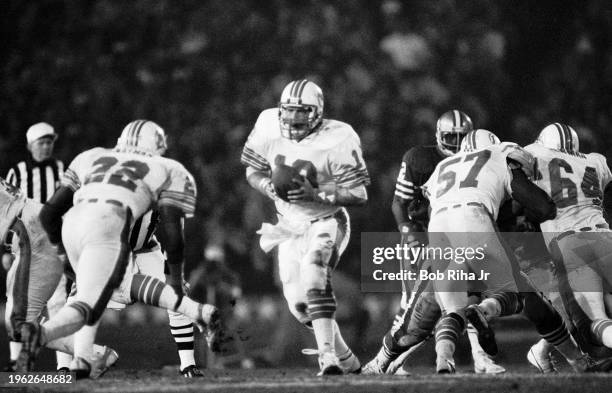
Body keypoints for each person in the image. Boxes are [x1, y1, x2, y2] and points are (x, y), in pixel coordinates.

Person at [17, 120, 221, 375]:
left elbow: (49, 215)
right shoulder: (165, 170)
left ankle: (74, 362)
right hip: (110, 238)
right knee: (172, 294)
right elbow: (174, 237)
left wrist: (62, 254)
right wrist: (176, 280)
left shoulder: (90, 157)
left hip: (111, 239)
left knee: (84, 299)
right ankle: (64, 360)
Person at [425, 129, 611, 373]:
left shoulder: (442, 167)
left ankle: (444, 359)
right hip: (490, 230)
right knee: (529, 299)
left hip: (440, 230)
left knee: (453, 309)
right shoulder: (503, 153)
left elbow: (425, 208)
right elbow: (541, 206)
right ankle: (570, 357)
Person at [363, 111, 505, 375]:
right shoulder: (421, 159)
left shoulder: (473, 161)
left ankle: (478, 357)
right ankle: (391, 361)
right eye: (451, 137)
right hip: (424, 235)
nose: (456, 142)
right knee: (416, 304)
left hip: (455, 236)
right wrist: (409, 233)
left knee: (470, 296)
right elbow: (400, 203)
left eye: (462, 137)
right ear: (438, 136)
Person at [241, 79, 367, 375]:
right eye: (289, 111)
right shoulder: (267, 123)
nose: (294, 118)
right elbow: (252, 169)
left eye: (303, 111)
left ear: (318, 112)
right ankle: (347, 358)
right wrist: (267, 186)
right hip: (288, 226)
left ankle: (327, 356)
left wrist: (318, 194)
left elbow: (359, 194)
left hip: (326, 220)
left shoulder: (340, 135)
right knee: (299, 306)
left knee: (314, 274)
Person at [0, 175, 118, 376]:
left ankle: (90, 356)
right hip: (31, 232)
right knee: (16, 322)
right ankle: (95, 355)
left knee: (19, 322)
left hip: (32, 235)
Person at [523, 123, 612, 371]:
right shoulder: (596, 161)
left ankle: (543, 352)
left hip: (567, 242)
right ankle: (542, 351)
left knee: (592, 322)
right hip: (604, 236)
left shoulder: (533, 153)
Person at [3, 122, 71, 372]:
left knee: (57, 302)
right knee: (16, 303)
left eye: (49, 142)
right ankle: (16, 361)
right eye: (41, 142)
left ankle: (64, 367)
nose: (45, 146)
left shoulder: (64, 170)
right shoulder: (17, 173)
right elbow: (6, 212)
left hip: (53, 244)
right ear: (30, 145)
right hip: (23, 244)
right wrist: (5, 252)